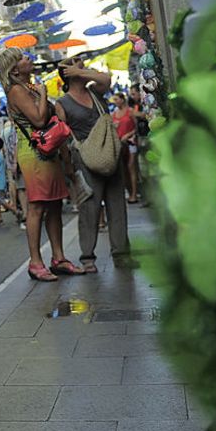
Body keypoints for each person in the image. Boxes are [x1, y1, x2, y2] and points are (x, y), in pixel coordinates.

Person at [0, 50, 82, 281]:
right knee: (37, 207)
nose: (29, 59)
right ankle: (35, 262)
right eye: (23, 58)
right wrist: (44, 93)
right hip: (33, 154)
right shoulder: (16, 90)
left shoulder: (29, 88)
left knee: (54, 206)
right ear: (14, 69)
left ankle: (59, 258)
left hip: (48, 151)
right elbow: (39, 120)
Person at [54, 56, 136, 271]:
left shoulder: (95, 91)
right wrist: (68, 166)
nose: (82, 64)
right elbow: (62, 136)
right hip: (85, 159)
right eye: (76, 62)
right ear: (66, 73)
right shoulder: (62, 103)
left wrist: (79, 72)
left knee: (117, 205)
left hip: (111, 153)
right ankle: (87, 257)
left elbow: (106, 78)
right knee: (89, 208)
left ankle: (121, 254)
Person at [111, 92, 140, 204]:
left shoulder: (130, 111)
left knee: (131, 166)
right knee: (123, 169)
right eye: (115, 100)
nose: (115, 101)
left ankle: (134, 194)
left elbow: (137, 127)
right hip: (120, 144)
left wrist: (129, 134)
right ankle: (130, 191)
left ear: (123, 99)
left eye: (117, 99)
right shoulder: (114, 114)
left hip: (131, 142)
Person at [2, 119, 27, 230]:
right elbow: (16, 145)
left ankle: (24, 212)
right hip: (21, 161)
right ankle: (26, 213)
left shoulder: (6, 130)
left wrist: (11, 163)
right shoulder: (18, 128)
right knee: (22, 188)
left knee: (19, 187)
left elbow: (5, 149)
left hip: (13, 162)